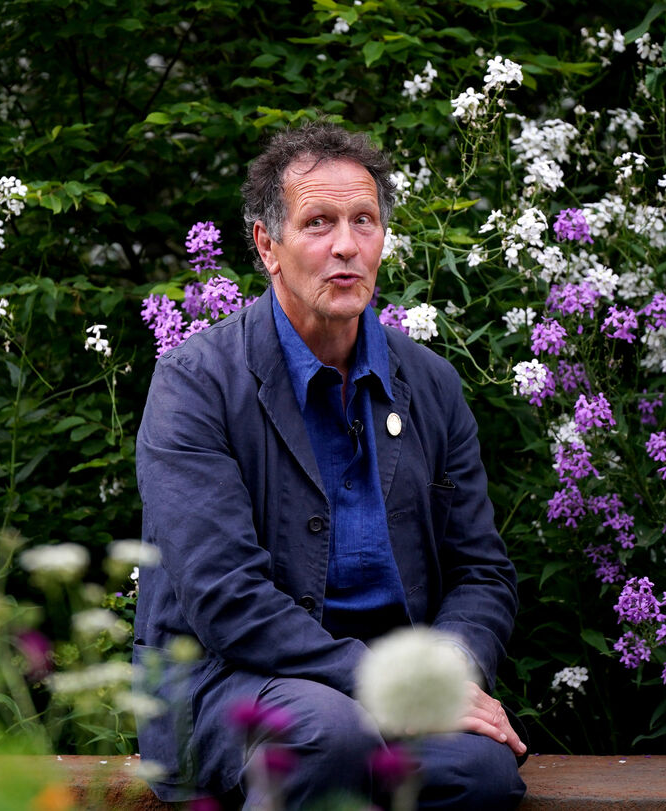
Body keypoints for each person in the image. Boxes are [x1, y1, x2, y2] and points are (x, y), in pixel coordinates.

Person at [134, 122, 526, 809]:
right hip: (232, 680)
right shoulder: (194, 384)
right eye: (318, 222)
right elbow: (226, 597)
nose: (346, 245)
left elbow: (481, 572)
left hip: (394, 691)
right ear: (267, 246)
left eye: (363, 221)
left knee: (480, 771)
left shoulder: (431, 385)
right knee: (327, 735)